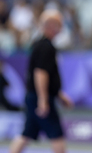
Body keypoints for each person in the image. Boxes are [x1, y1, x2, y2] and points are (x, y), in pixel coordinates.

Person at [10, 10, 73, 153]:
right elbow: (40, 73)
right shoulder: (46, 47)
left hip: (34, 96)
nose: (61, 28)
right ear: (50, 26)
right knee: (57, 135)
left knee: (26, 133)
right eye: (59, 24)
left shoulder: (40, 44)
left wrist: (59, 95)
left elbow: (46, 75)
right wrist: (43, 100)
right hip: (39, 98)